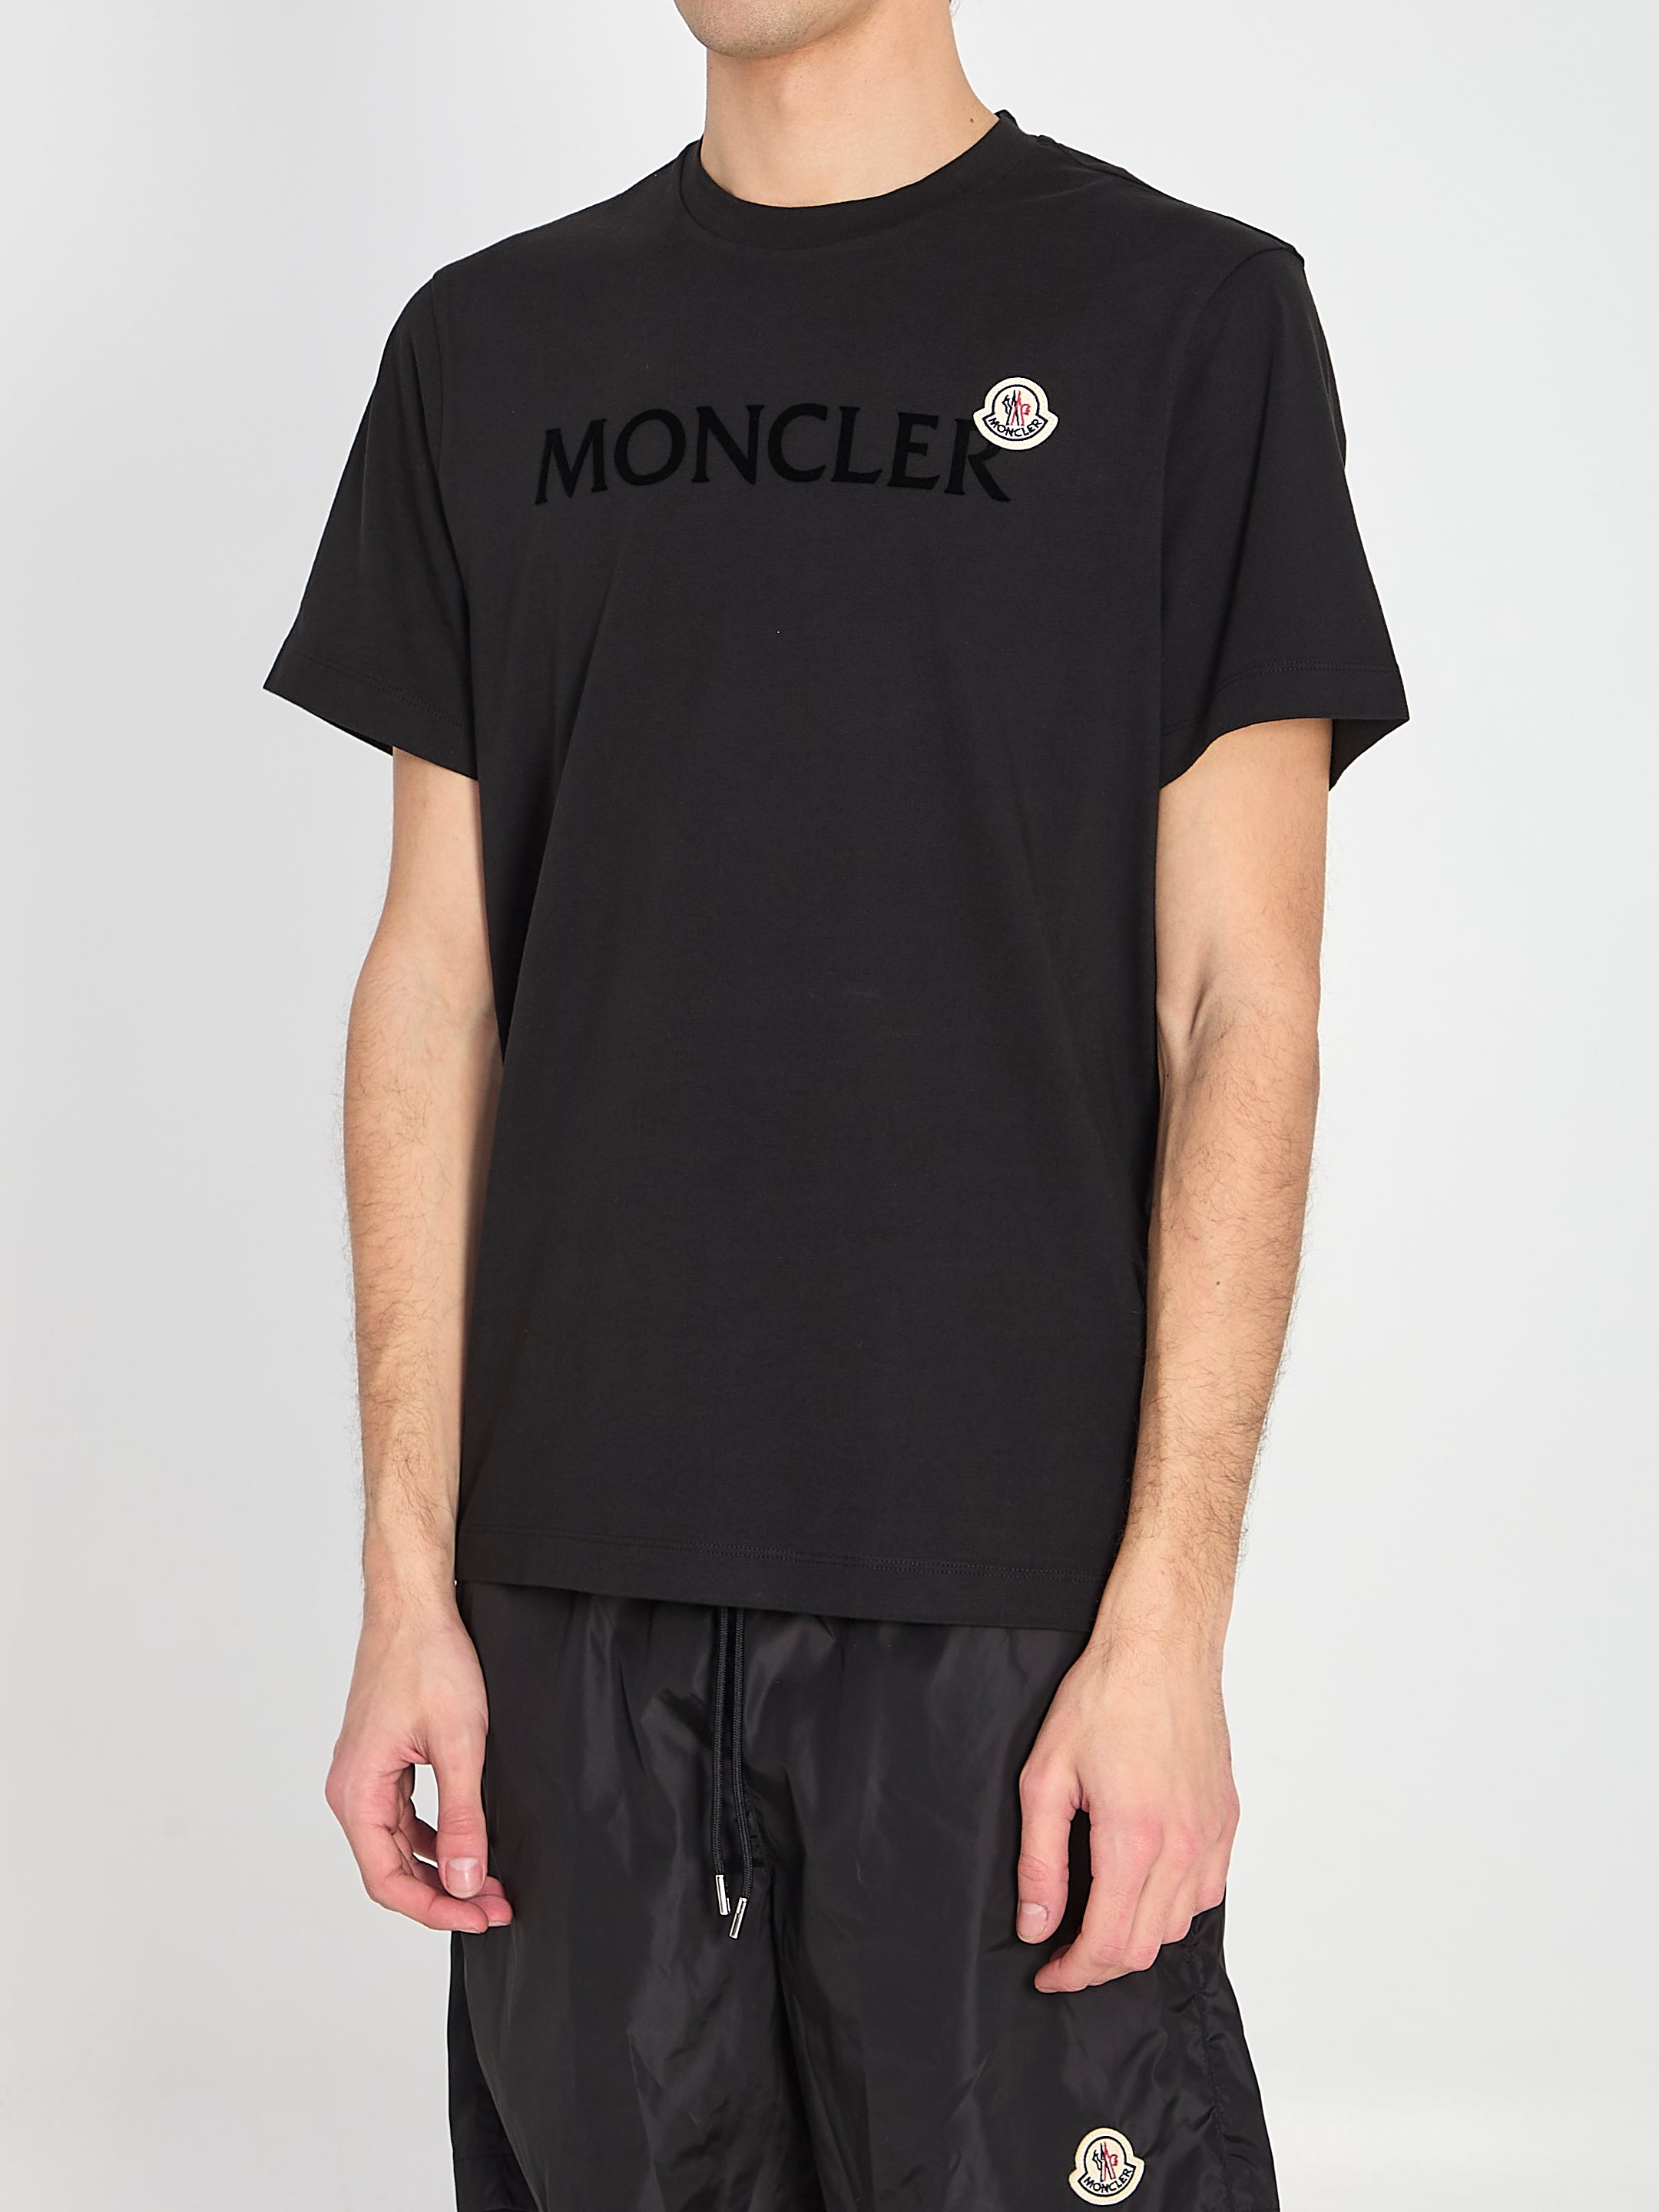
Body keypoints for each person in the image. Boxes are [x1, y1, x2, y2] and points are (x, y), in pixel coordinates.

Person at [266, 2, 1406, 2204]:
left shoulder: (1188, 321)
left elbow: (1240, 1002)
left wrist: (1168, 1628)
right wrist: (408, 1587)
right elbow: (434, 987)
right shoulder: (489, 349)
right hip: (566, 1609)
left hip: (1004, 1612)